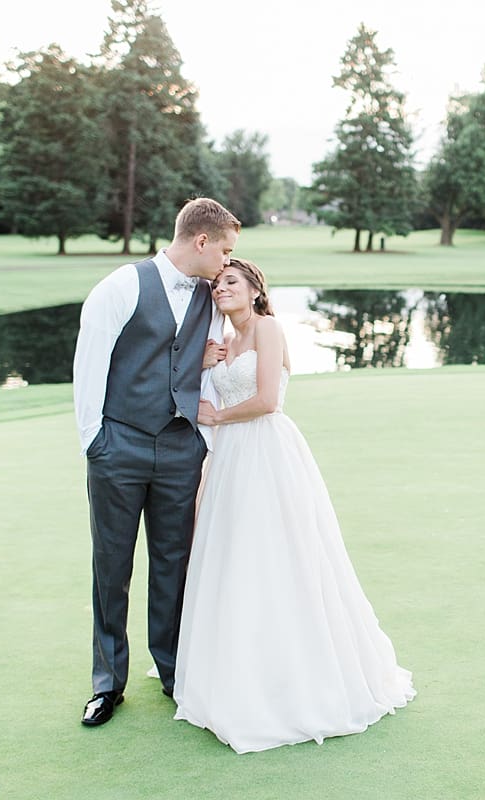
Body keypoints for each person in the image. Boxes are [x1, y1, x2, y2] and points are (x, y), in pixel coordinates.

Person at [173, 258, 415, 753]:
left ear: (255, 290)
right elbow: (192, 391)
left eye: (231, 282)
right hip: (229, 461)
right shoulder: (219, 344)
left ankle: (292, 679)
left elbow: (267, 401)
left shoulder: (268, 328)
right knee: (232, 557)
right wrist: (201, 367)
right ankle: (233, 667)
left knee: (279, 554)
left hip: (266, 452)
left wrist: (217, 415)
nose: (221, 288)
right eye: (217, 283)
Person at [73, 198, 240, 727]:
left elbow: (209, 365)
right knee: (112, 567)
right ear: (201, 241)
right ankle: (108, 684)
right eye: (225, 250)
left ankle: (173, 672)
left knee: (174, 563)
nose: (227, 263)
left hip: (179, 449)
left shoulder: (210, 298)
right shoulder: (121, 286)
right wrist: (95, 443)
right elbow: (89, 364)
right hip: (118, 446)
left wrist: (202, 434)